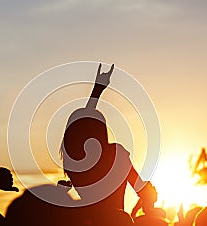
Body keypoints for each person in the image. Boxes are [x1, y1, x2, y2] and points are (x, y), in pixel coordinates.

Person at [60, 63, 156, 212]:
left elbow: (82, 126)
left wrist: (96, 91)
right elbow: (140, 188)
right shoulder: (116, 154)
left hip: (87, 223)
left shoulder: (73, 161)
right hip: (116, 224)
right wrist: (150, 195)